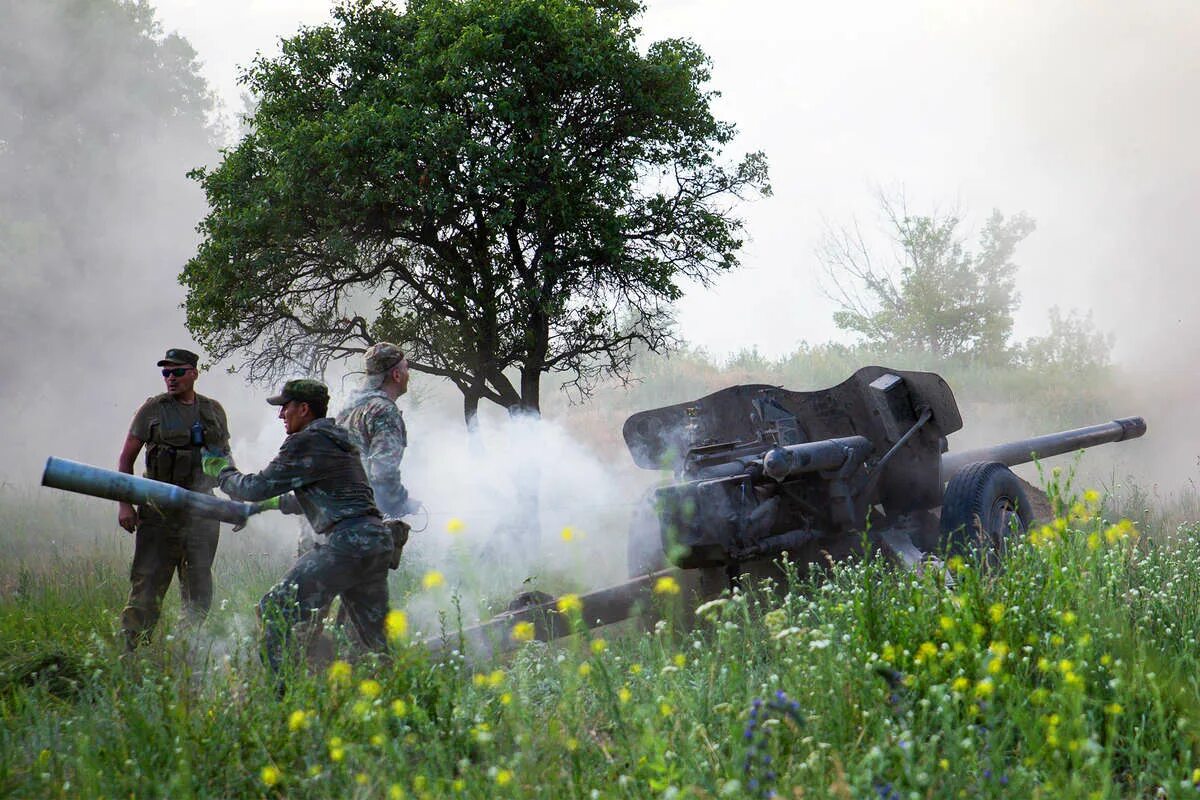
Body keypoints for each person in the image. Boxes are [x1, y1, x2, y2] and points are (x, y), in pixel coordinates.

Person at [203, 379, 395, 678]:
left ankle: (284, 694)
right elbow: (329, 494)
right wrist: (269, 506)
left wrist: (222, 471)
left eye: (285, 407)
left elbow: (253, 487)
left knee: (274, 610)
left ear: (303, 409)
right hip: (375, 541)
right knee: (374, 640)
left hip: (347, 544)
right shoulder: (339, 439)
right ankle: (395, 700)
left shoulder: (305, 441)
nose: (281, 416)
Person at [116, 348, 230, 651]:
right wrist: (125, 505)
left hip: (202, 510)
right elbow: (126, 460)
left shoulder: (213, 411)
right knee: (147, 584)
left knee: (199, 588)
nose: (170, 378)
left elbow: (224, 461)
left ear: (193, 372)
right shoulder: (153, 410)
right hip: (158, 511)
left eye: (177, 372)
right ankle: (132, 652)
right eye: (166, 372)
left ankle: (186, 647)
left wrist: (234, 504)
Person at [297, 342, 417, 555]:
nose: (409, 374)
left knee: (308, 585)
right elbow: (383, 473)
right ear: (396, 375)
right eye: (406, 368)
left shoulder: (348, 408)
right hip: (352, 527)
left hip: (319, 518)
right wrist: (401, 501)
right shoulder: (384, 411)